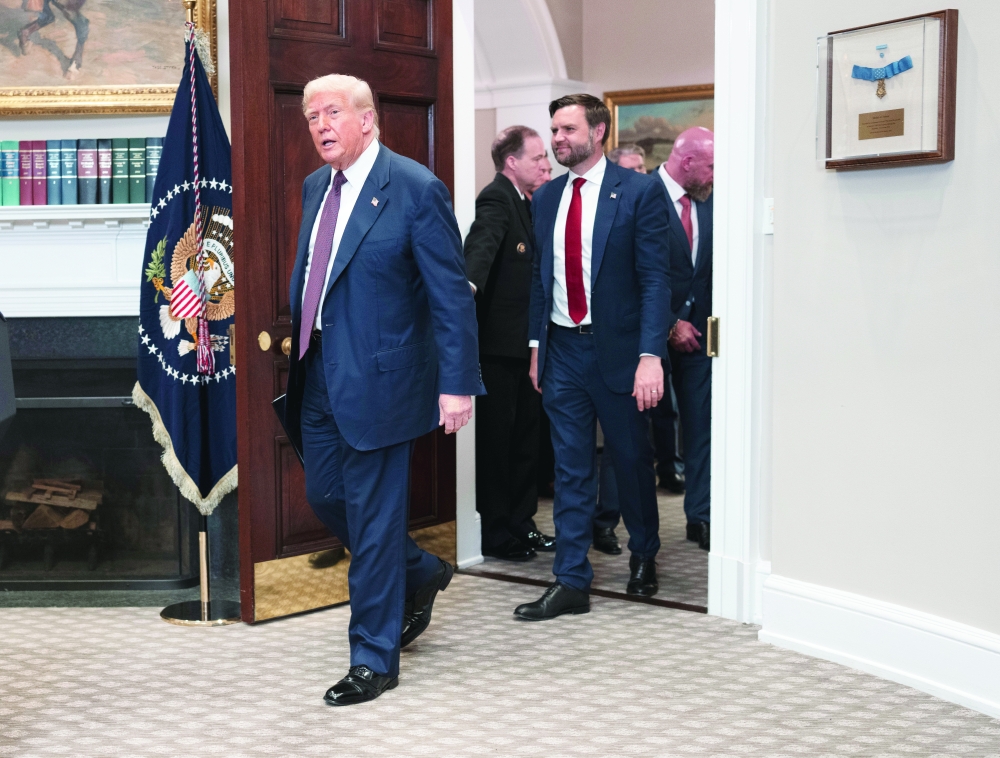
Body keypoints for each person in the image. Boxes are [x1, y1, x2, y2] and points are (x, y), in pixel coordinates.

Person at [283, 74, 484, 705]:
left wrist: (457, 386)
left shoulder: (416, 188)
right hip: (316, 376)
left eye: (333, 112)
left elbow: (451, 297)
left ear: (367, 120)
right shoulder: (318, 187)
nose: (320, 124)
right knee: (325, 497)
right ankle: (420, 571)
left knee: (372, 526)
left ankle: (373, 659)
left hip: (383, 382)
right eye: (312, 114)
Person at [514, 94, 671, 621]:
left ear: (597, 132)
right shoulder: (545, 198)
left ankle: (644, 553)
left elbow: (655, 280)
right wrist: (537, 348)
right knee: (570, 468)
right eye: (553, 131)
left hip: (622, 354)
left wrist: (651, 355)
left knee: (631, 460)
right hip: (562, 352)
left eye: (567, 130)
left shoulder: (639, 192)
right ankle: (571, 579)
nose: (558, 140)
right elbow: (542, 281)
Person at [464, 126, 555, 561]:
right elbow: (481, 247)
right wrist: (467, 287)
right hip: (498, 351)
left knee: (526, 442)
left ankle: (522, 524)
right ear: (512, 163)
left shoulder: (530, 203)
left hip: (529, 347)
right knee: (498, 446)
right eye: (537, 157)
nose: (546, 164)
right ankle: (496, 533)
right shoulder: (497, 197)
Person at [592, 144, 686, 555]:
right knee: (606, 455)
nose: (636, 178)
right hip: (593, 348)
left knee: (634, 451)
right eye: (628, 170)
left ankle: (644, 551)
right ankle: (600, 527)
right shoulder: (595, 205)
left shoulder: (649, 200)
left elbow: (670, 272)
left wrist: (663, 329)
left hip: (642, 346)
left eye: (641, 169)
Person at [655, 127, 714, 551]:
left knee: (703, 429)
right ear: (687, 161)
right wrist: (671, 321)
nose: (715, 176)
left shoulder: (710, 203)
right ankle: (619, 524)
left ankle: (701, 515)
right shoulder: (642, 195)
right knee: (641, 436)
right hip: (651, 339)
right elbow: (629, 271)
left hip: (701, 340)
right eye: (710, 166)